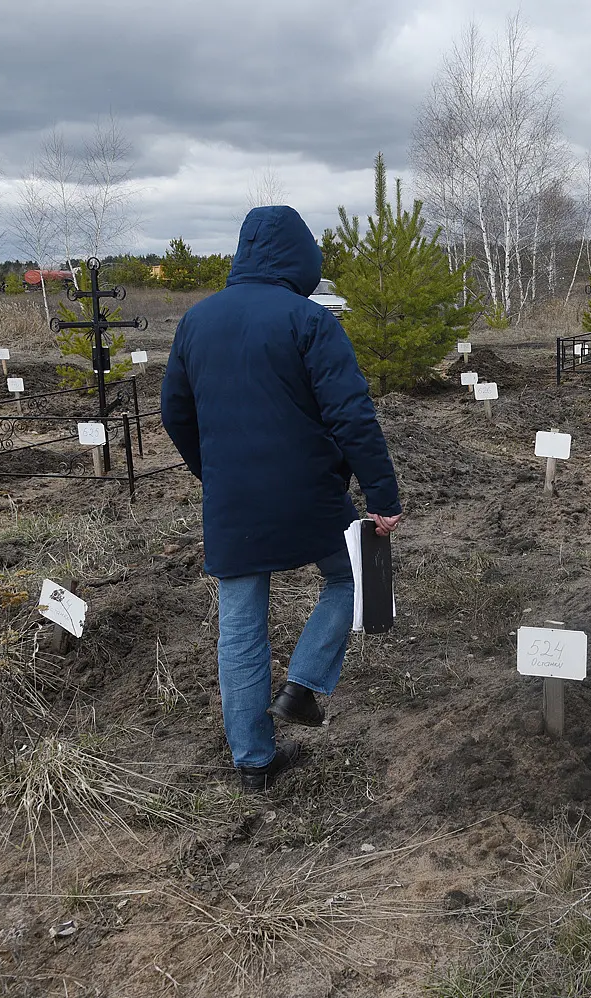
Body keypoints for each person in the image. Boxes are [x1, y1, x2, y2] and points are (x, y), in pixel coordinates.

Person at [161, 205, 402, 792]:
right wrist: (382, 493)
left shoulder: (195, 321)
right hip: (309, 495)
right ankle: (305, 685)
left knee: (240, 627)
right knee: (355, 577)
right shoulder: (309, 320)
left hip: (232, 502)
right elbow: (351, 415)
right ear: (301, 258)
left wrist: (213, 475)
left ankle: (254, 761)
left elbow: (175, 415)